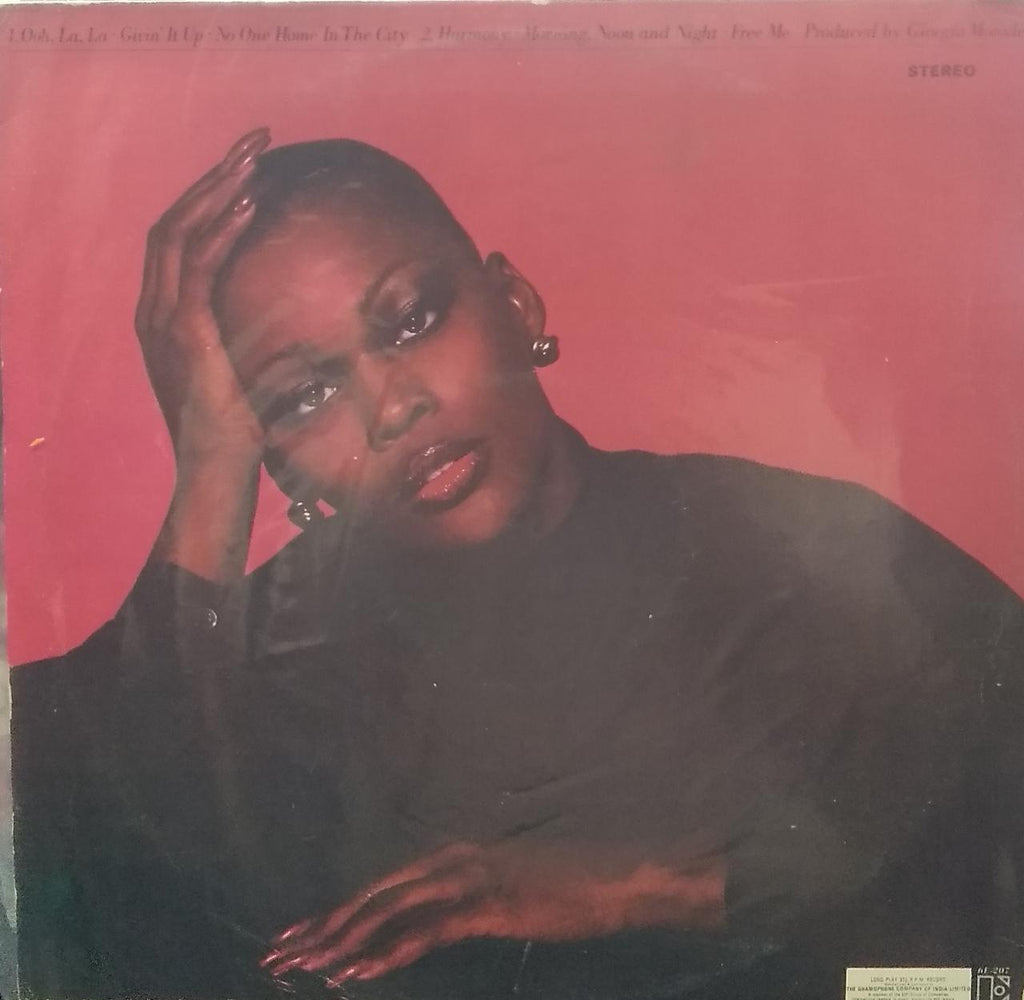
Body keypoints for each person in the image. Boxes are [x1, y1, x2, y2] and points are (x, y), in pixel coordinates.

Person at [12, 128, 1024, 1000]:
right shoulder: (250, 683)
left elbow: (984, 977)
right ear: (269, 457)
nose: (392, 404)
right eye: (302, 397)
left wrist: (656, 890)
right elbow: (66, 902)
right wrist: (209, 477)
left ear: (516, 304)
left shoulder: (808, 564)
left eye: (411, 320)